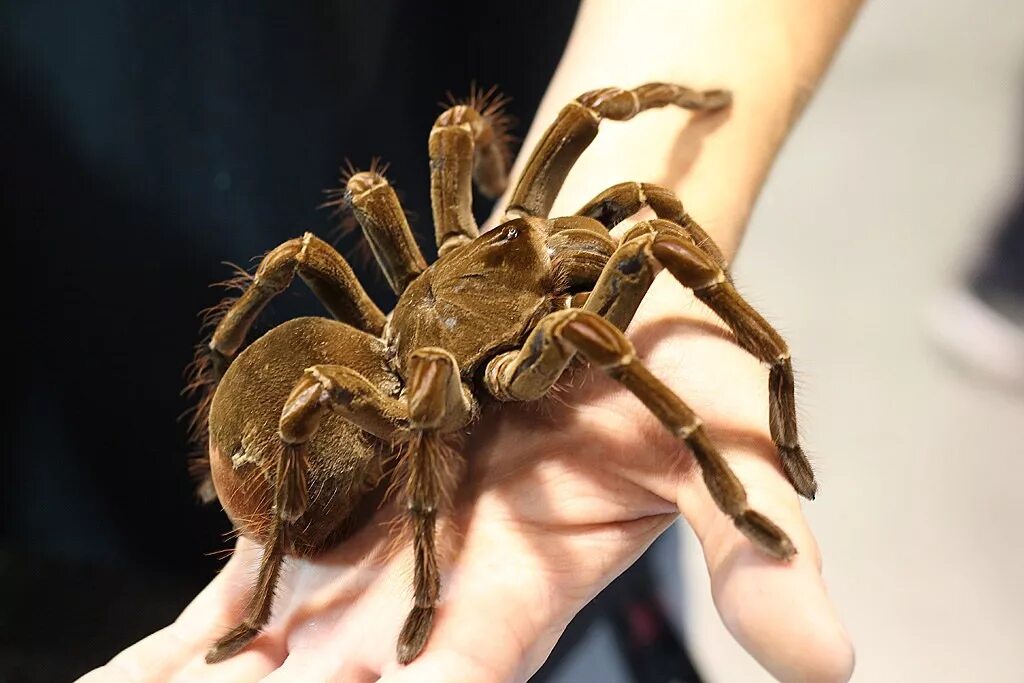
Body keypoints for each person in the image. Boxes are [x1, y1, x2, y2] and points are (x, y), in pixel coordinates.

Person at [7, 1, 861, 681]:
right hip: (68, 497)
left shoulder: (501, 247)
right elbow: (429, 410)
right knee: (390, 320)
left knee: (502, 154)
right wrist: (423, 569)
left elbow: (568, 145)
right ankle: (265, 594)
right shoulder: (543, 336)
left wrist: (529, 179)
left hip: (371, 392)